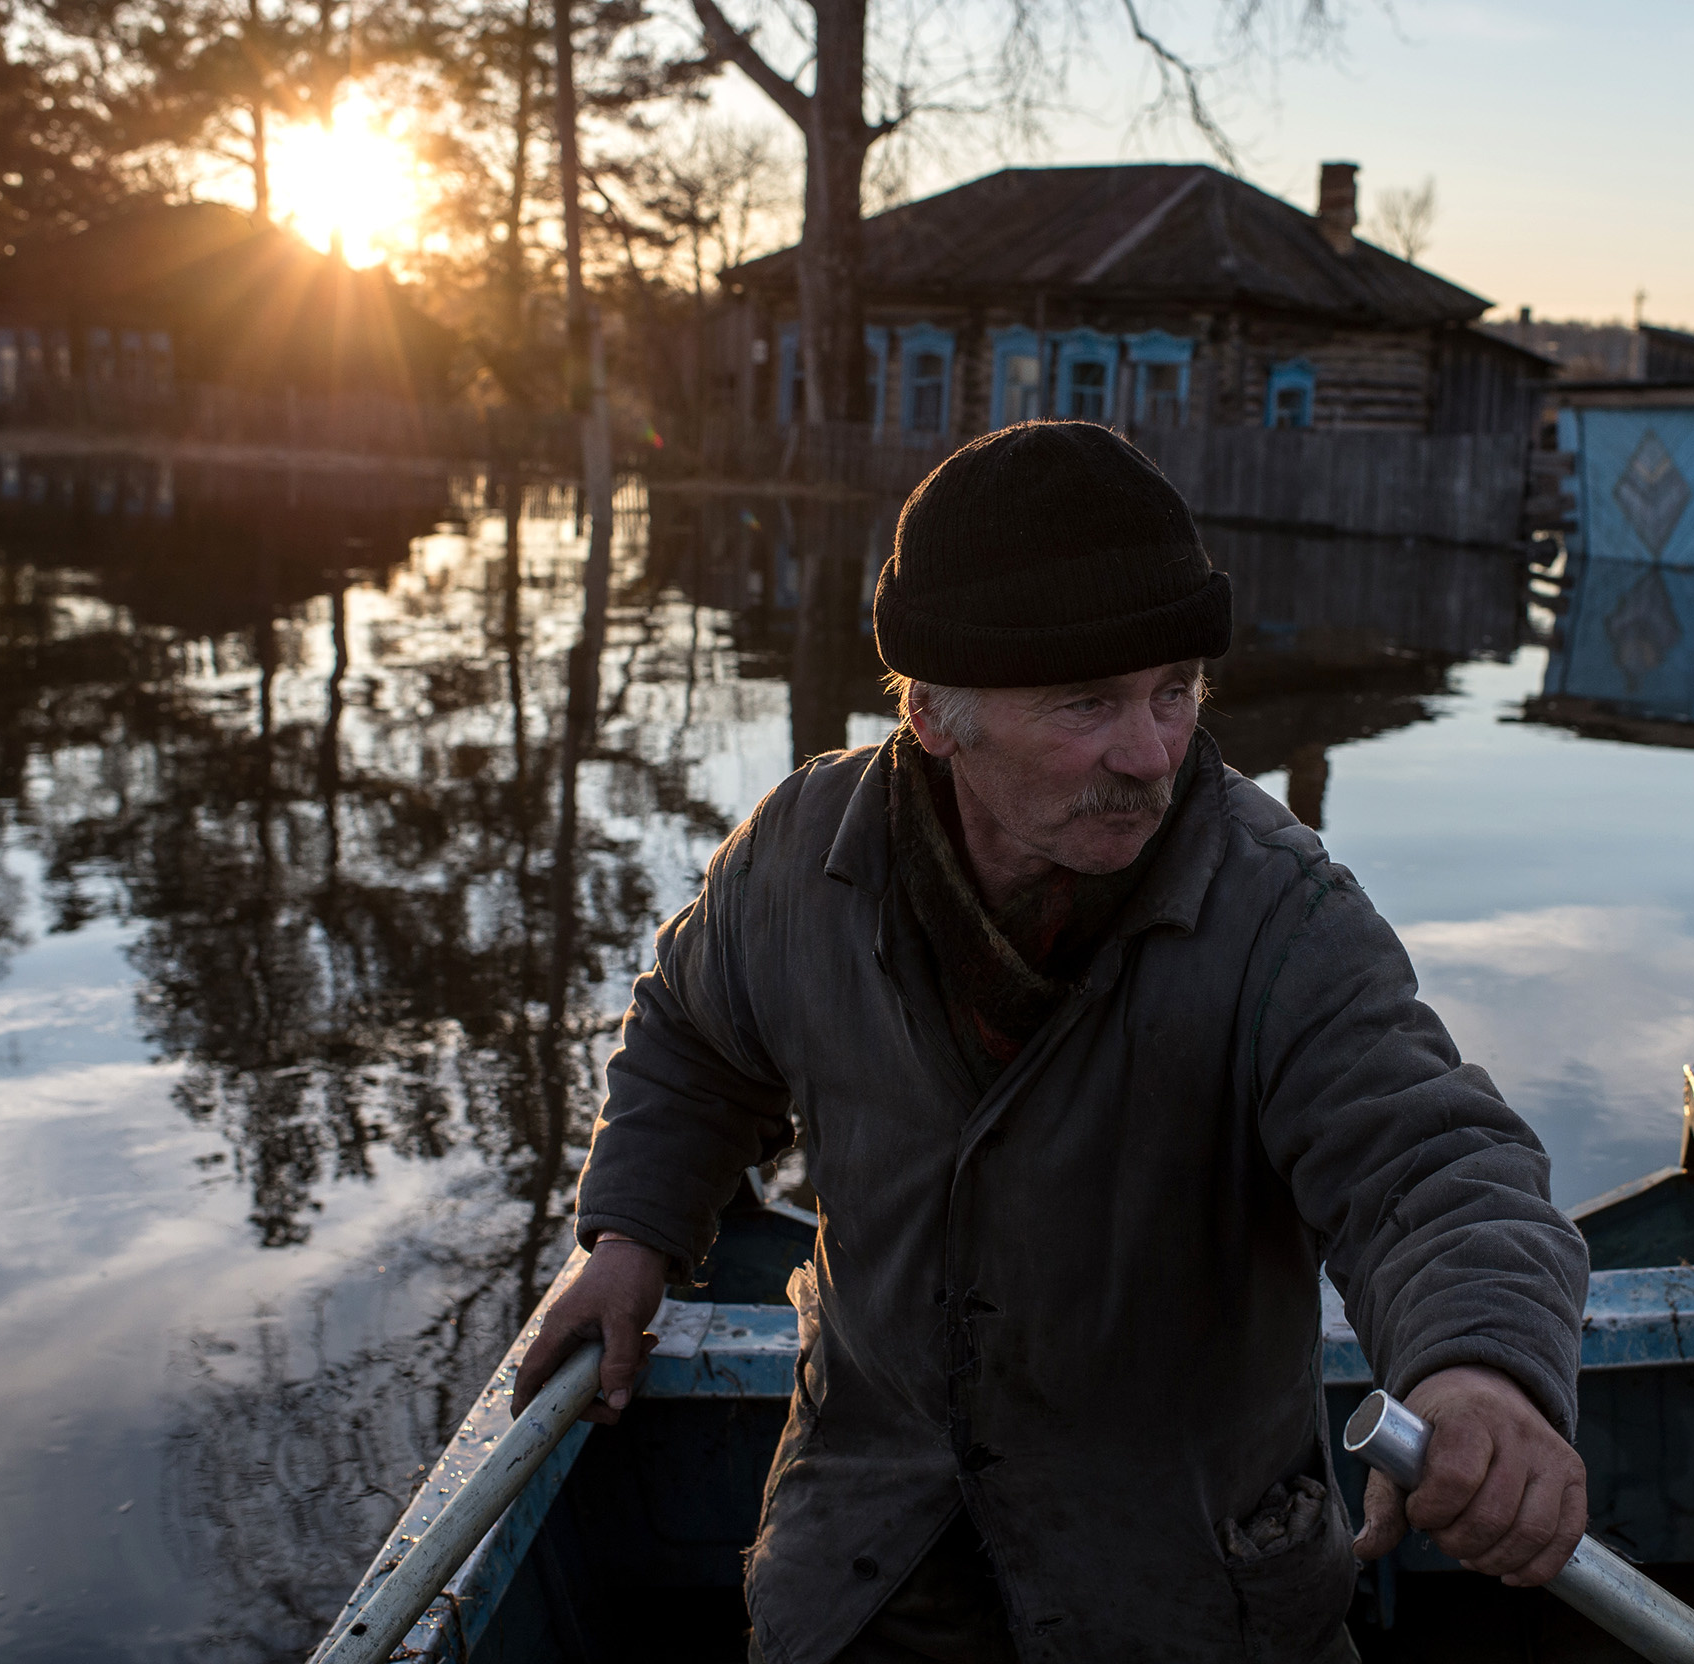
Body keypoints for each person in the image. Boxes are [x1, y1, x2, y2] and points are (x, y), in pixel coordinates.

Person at [515, 421, 1590, 1663]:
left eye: (1174, 689)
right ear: (931, 711)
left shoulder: (1280, 913)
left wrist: (1479, 1372)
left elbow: (1429, 1163)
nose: (1148, 754)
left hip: (1187, 1600)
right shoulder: (800, 862)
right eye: (1088, 702)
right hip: (866, 1571)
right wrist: (631, 1238)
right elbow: (695, 1039)